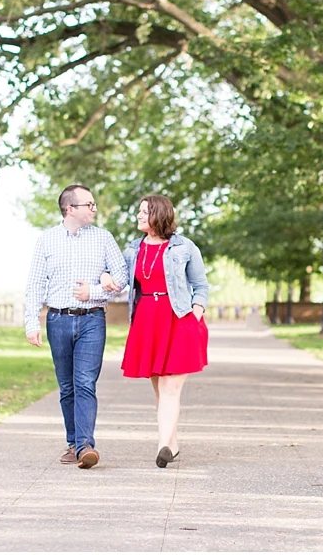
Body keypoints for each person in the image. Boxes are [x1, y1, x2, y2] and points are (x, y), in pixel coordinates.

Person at [23, 183, 127, 469]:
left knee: (85, 383)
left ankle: (85, 446)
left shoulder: (103, 238)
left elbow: (122, 276)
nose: (94, 208)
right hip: (57, 320)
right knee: (67, 386)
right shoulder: (47, 240)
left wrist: (95, 291)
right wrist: (32, 322)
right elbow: (35, 284)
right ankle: (73, 443)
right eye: (88, 204)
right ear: (70, 209)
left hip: (92, 319)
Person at [106, 194, 209, 467]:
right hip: (147, 321)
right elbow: (117, 279)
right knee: (160, 390)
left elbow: (201, 286)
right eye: (139, 211)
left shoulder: (185, 247)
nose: (139, 215)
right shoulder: (133, 249)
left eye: (144, 211)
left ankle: (162, 446)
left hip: (179, 319)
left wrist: (196, 314)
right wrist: (105, 278)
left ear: (159, 214)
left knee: (170, 386)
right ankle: (171, 446)